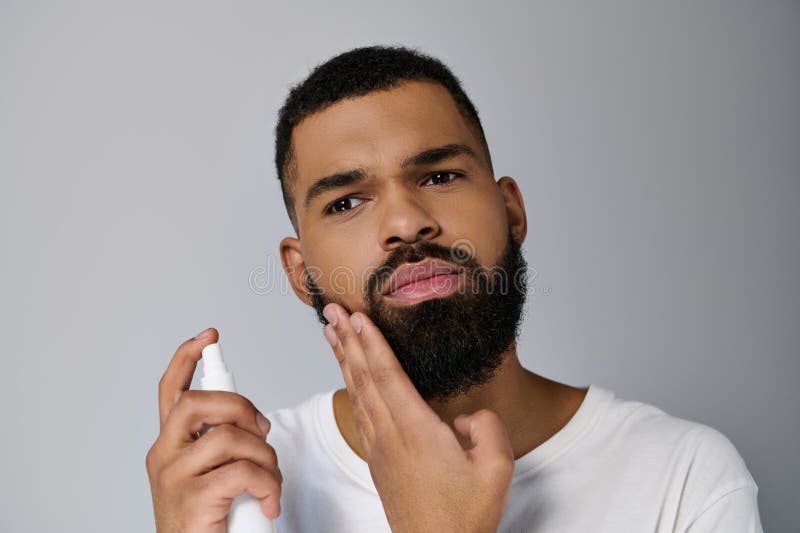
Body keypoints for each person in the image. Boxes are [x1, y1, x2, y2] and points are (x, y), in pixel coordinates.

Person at [146, 45, 763, 532]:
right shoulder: (240, 488)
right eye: (348, 201)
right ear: (300, 271)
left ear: (511, 211)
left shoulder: (683, 479)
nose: (406, 222)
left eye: (439, 175)